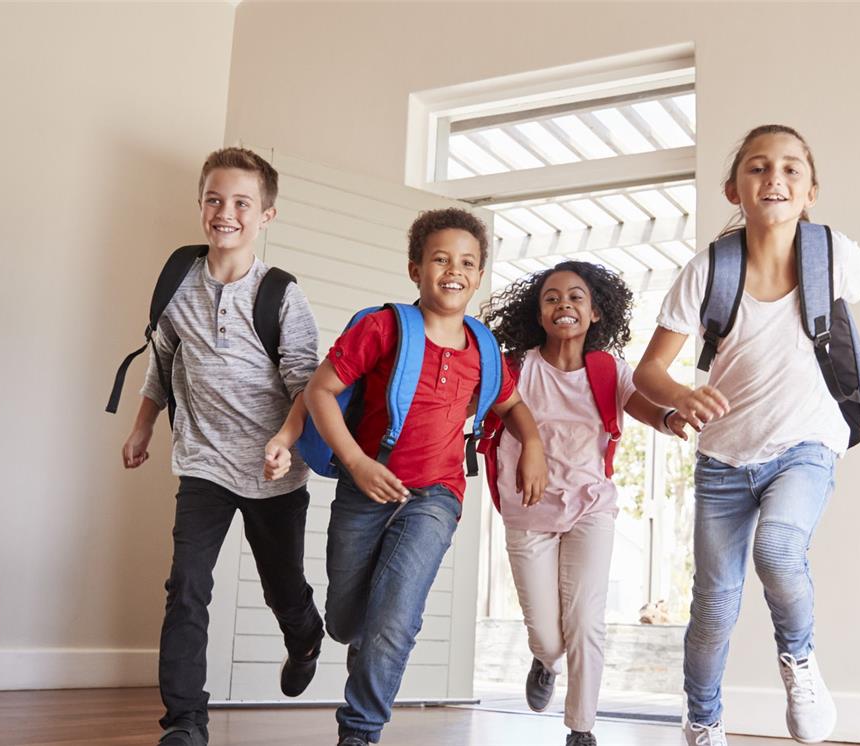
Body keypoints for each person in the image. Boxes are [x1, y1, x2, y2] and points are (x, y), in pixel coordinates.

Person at [633, 125, 860, 746]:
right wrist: (680, 396)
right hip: (723, 460)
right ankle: (701, 720)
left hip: (806, 444)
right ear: (734, 188)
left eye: (790, 168)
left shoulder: (829, 253)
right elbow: (649, 370)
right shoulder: (708, 269)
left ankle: (800, 662)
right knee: (713, 610)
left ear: (811, 191)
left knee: (779, 551)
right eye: (758, 168)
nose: (774, 178)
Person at [303, 208, 548, 746]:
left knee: (397, 616)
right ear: (415, 268)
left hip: (436, 495)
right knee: (347, 621)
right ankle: (355, 643)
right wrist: (358, 463)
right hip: (366, 488)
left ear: (480, 274)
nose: (453, 270)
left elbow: (513, 405)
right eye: (440, 259)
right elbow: (318, 392)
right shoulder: (383, 327)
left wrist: (531, 441)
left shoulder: (484, 348)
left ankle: (360, 732)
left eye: (467, 262)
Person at [120, 147, 323, 746]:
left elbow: (308, 385)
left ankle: (304, 631)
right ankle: (186, 722)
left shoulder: (281, 294)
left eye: (241, 202)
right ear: (200, 204)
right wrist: (142, 425)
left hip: (272, 470)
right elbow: (163, 358)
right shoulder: (177, 279)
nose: (225, 212)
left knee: (280, 583)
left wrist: (286, 441)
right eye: (214, 199)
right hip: (203, 462)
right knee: (186, 586)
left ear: (267, 215)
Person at [481, 261, 687, 746]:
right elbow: (485, 410)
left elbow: (643, 406)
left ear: (596, 313)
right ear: (539, 313)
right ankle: (545, 661)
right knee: (549, 637)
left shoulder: (608, 369)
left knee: (586, 619)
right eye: (552, 298)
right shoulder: (516, 367)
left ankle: (581, 728)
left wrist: (671, 417)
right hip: (528, 509)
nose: (564, 305)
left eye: (576, 297)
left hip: (591, 506)